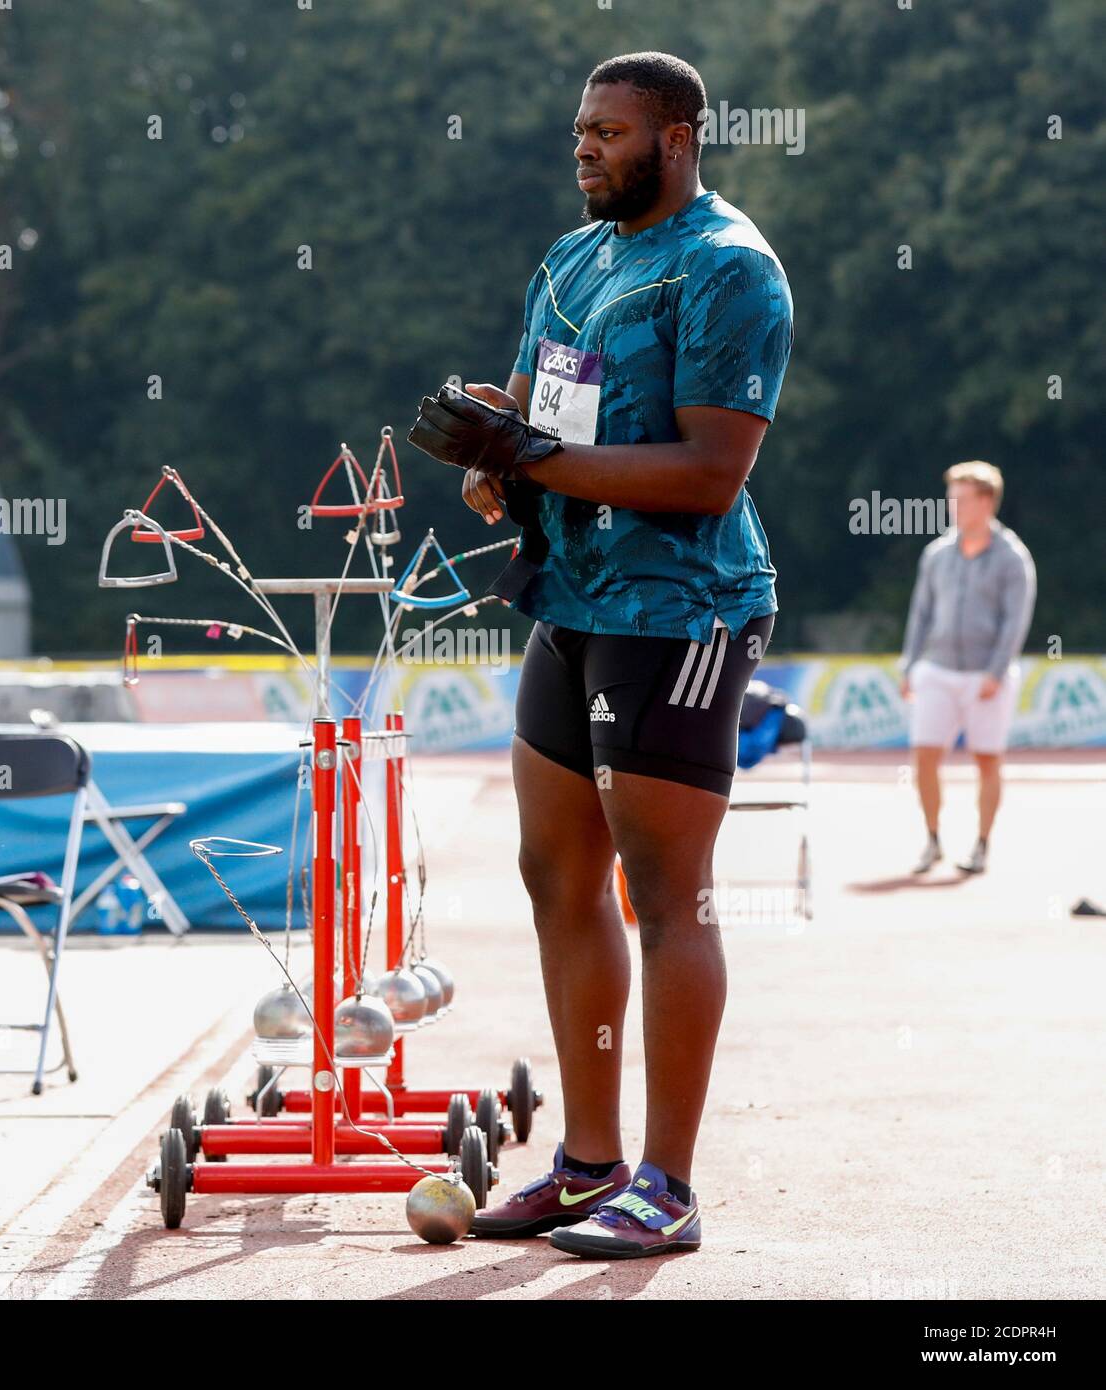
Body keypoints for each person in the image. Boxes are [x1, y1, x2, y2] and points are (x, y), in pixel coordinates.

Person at [417, 52, 793, 1259]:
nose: (583, 148)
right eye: (578, 129)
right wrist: (491, 456)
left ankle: (669, 1185)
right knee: (553, 874)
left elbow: (707, 470)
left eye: (610, 131)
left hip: (680, 613)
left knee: (663, 891)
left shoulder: (729, 269)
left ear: (677, 138)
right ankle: (588, 1165)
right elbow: (533, 418)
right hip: (570, 602)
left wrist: (526, 457)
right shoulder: (569, 259)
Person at [900, 462, 1036, 876]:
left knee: (987, 761)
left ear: (987, 501)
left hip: (985, 675)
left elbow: (1016, 620)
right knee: (924, 755)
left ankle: (981, 844)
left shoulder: (1013, 557)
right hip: (937, 669)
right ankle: (932, 839)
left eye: (961, 499)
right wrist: (910, 664)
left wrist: (996, 672)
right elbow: (920, 614)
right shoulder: (937, 554)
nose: (952, 506)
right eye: (950, 498)